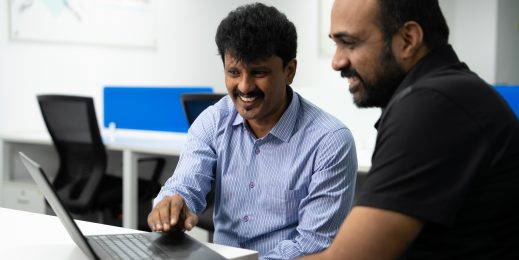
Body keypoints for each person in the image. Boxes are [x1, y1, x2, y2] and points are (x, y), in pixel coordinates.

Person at [302, 0, 519, 259]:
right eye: (335, 44)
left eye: (349, 43)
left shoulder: (433, 104)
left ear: (408, 39)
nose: (337, 62)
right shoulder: (447, 91)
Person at [148, 3, 358, 259]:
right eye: (234, 72)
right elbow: (185, 184)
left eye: (258, 73)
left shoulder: (329, 142)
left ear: (289, 71)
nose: (244, 87)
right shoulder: (214, 121)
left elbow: (313, 244)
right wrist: (173, 204)